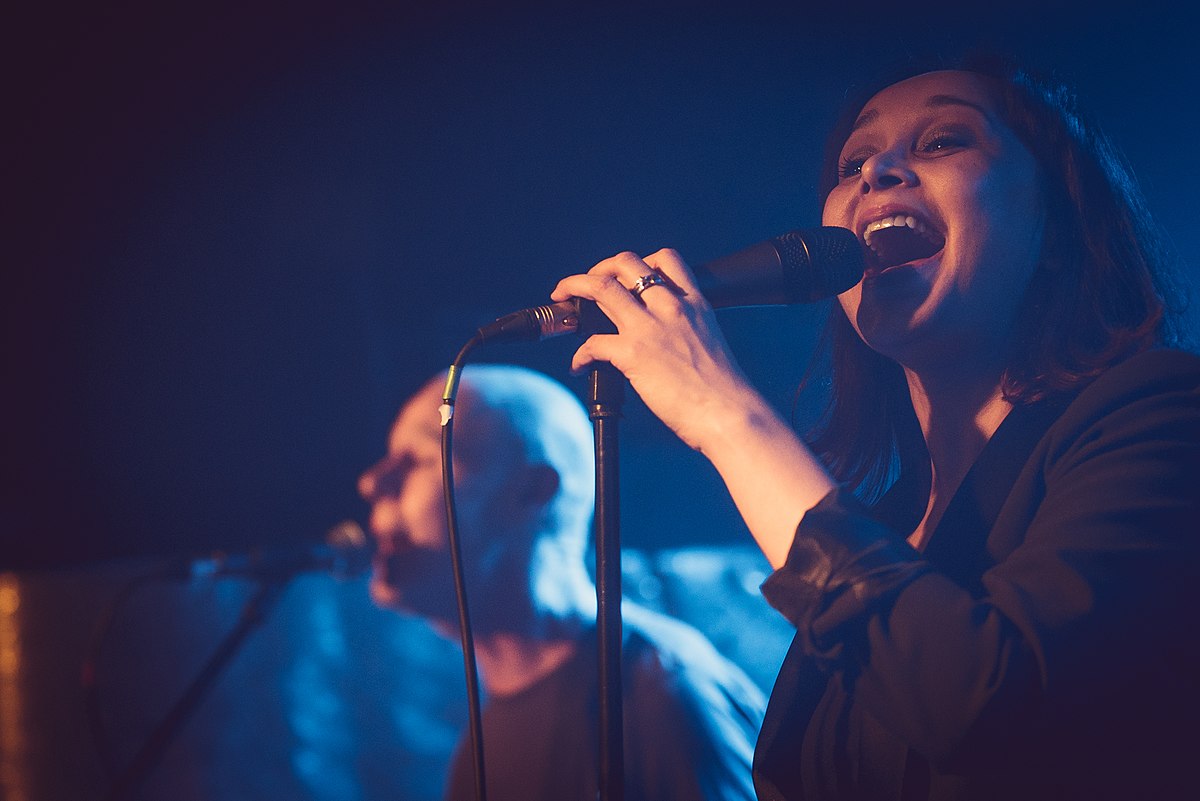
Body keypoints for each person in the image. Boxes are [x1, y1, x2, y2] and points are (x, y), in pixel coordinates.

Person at [550, 58, 1200, 800]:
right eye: (854, 160)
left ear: (1053, 225)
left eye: (943, 141)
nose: (878, 172)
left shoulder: (1160, 415)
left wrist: (724, 414)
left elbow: (985, 708)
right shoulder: (888, 520)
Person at [357, 363, 766, 801]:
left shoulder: (661, 695)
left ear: (531, 491)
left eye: (416, 459)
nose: (371, 483)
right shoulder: (474, 758)